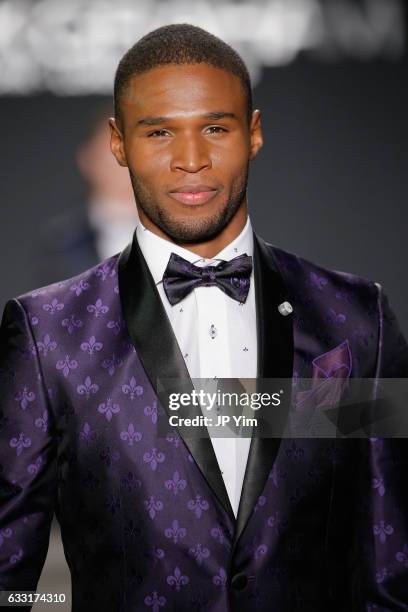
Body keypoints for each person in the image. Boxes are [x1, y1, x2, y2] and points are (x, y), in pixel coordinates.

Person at [1, 23, 407, 612]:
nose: (191, 160)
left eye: (215, 127)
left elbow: (392, 564)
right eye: (159, 131)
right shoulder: (48, 336)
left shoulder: (354, 320)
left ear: (255, 133)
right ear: (118, 144)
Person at [35, 106, 138, 286]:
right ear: (88, 159)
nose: (123, 165)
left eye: (132, 153)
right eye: (112, 154)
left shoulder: (181, 235)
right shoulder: (62, 243)